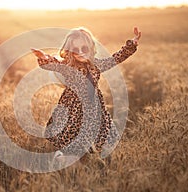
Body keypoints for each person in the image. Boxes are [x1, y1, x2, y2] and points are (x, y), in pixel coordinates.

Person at [31, 27, 141, 159]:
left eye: (84, 48)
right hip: (73, 107)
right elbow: (54, 63)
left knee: (101, 135)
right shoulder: (69, 66)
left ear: (90, 48)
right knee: (72, 135)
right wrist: (44, 57)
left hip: (94, 106)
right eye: (75, 50)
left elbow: (116, 58)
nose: (80, 53)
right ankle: (66, 158)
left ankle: (94, 161)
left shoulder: (96, 65)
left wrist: (132, 44)